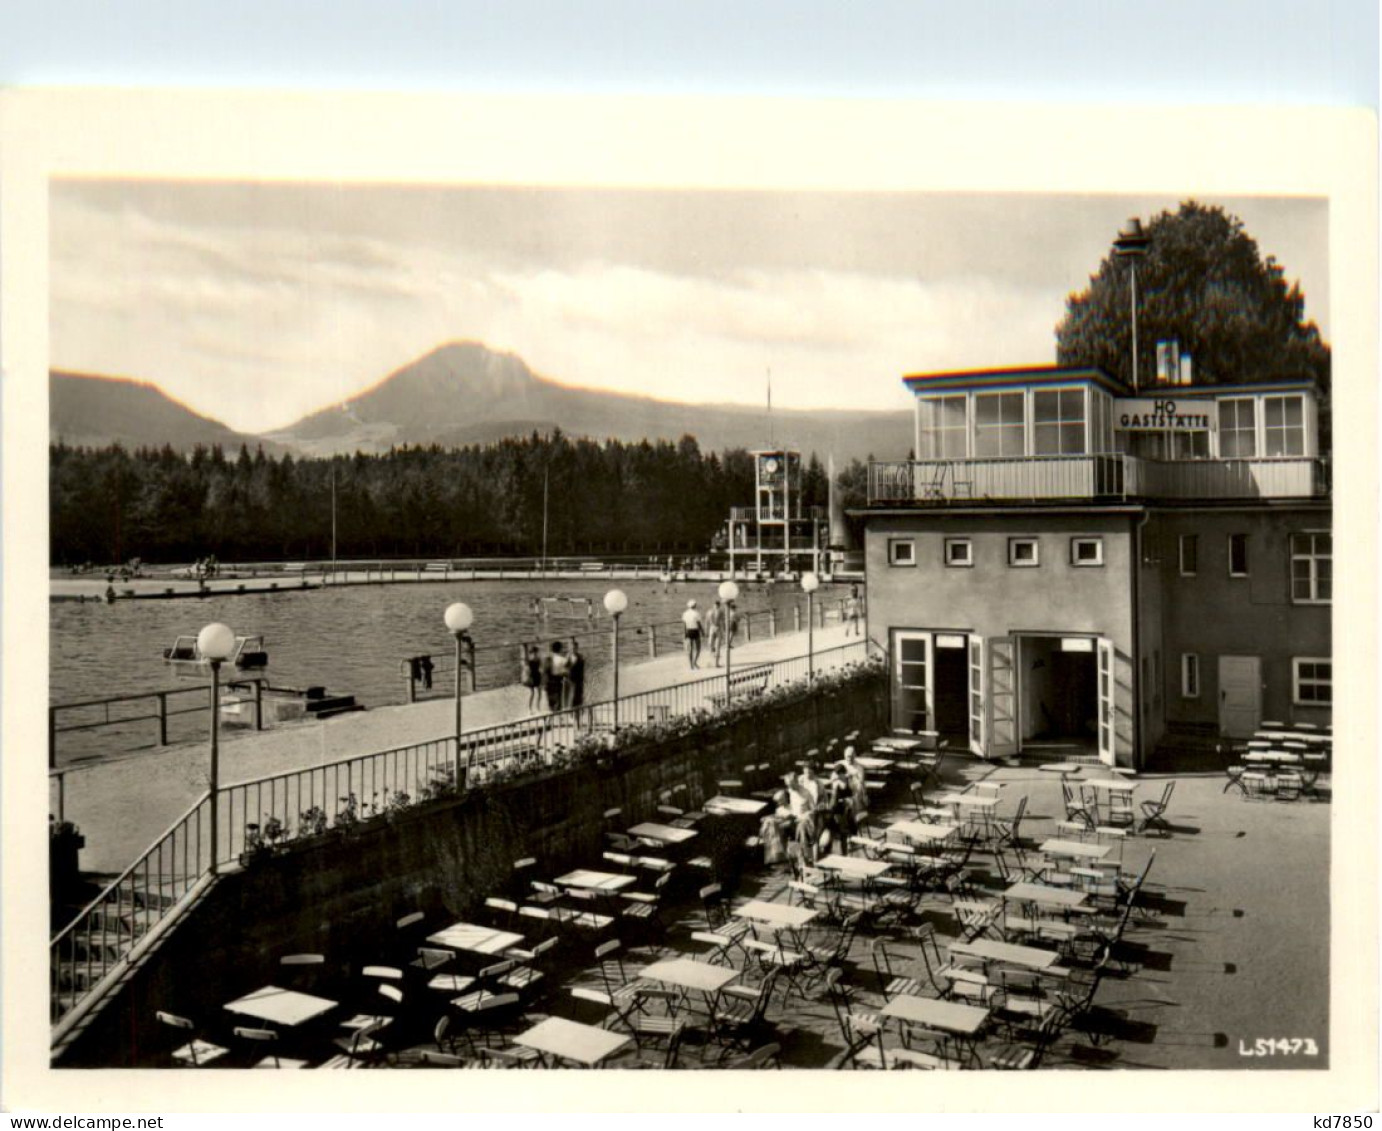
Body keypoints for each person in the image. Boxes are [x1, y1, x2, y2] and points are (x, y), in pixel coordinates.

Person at [542, 640, 570, 712]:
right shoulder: (563, 660)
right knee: (558, 702)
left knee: (551, 702)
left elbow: (543, 671)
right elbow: (567, 672)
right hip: (557, 682)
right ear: (560, 649)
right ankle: (558, 717)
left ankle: (550, 716)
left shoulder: (548, 659)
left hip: (548, 682)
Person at [681, 599, 703, 669]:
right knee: (698, 648)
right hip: (695, 631)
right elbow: (699, 624)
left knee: (689, 650)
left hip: (688, 631)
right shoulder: (696, 613)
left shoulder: (685, 613)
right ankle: (695, 661)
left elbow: (684, 625)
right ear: (695, 605)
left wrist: (684, 633)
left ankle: (691, 665)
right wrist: (703, 632)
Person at [567, 638, 586, 718]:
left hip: (579, 680)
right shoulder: (568, 657)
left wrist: (584, 679)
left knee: (580, 696)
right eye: (572, 648)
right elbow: (566, 668)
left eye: (575, 648)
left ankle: (579, 712)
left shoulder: (580, 656)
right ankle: (572, 713)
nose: (574, 649)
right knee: (573, 697)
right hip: (572, 680)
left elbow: (582, 668)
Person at [706, 598, 724, 667]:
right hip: (718, 628)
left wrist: (706, 631)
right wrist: (723, 632)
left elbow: (707, 622)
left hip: (711, 628)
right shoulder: (721, 611)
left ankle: (710, 662)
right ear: (719, 605)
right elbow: (722, 622)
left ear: (713, 605)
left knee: (710, 646)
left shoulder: (709, 611)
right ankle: (716, 663)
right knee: (717, 646)